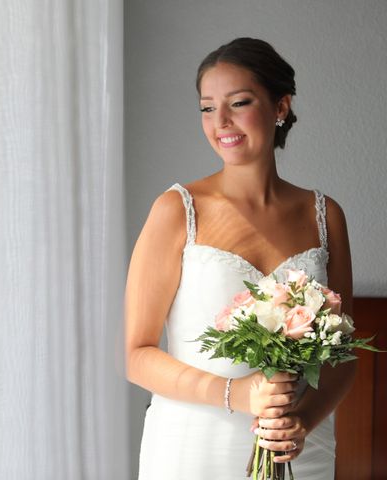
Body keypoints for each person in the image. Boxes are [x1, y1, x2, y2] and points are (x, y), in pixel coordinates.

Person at [124, 37, 356, 479]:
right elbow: (135, 354)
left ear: (280, 106)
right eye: (207, 108)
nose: (221, 121)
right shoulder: (177, 210)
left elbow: (342, 358)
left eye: (239, 102)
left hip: (297, 450)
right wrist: (237, 393)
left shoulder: (325, 216)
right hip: (193, 446)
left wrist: (301, 424)